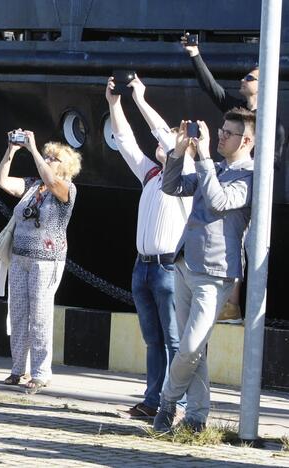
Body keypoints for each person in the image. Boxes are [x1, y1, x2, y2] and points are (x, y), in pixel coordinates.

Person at [155, 108, 256, 433]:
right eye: (221, 130)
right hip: (185, 264)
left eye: (228, 133)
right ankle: (196, 418)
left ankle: (167, 403)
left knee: (191, 347)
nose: (221, 136)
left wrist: (204, 157)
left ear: (247, 140)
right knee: (193, 348)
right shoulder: (213, 167)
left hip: (215, 272)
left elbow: (218, 201)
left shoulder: (251, 176)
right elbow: (170, 186)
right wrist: (179, 151)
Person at [181, 34, 285, 323]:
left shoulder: (270, 122)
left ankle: (243, 309)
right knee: (233, 241)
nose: (243, 80)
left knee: (250, 245)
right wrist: (194, 54)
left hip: (249, 189)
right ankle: (230, 305)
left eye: (249, 78)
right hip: (231, 184)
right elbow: (212, 89)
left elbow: (273, 161)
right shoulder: (238, 113)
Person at [106, 76, 193, 417]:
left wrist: (140, 99)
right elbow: (126, 141)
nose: (161, 142)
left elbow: (166, 138)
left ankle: (176, 404)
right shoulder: (152, 174)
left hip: (168, 266)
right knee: (154, 340)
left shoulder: (184, 172)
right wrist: (114, 105)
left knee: (173, 340)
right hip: (142, 265)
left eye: (170, 140)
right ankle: (153, 400)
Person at [0, 128, 80, 394]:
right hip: (20, 257)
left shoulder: (67, 189)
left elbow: (52, 182)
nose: (47, 159)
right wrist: (11, 150)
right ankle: (18, 368)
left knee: (40, 315)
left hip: (46, 260)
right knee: (18, 313)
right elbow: (1, 181)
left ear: (65, 166)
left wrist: (32, 150)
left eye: (52, 158)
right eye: (46, 156)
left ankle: (42, 372)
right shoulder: (33, 185)